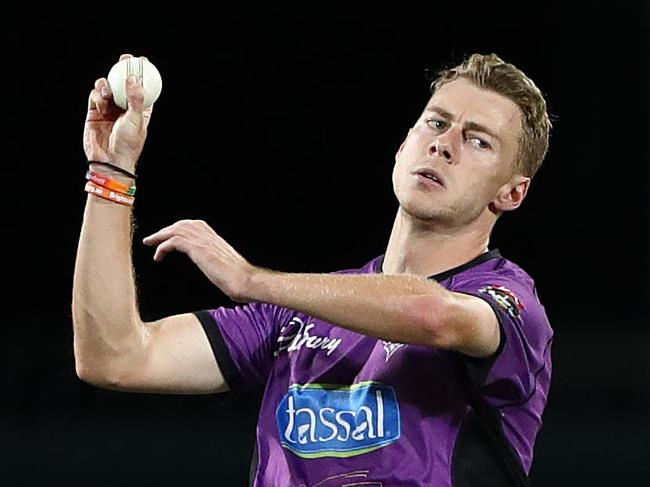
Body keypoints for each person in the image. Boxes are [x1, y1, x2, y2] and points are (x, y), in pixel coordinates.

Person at [73, 52, 553, 487]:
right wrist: (111, 173)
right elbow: (113, 356)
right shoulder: (295, 317)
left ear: (512, 193)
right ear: (402, 146)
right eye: (436, 123)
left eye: (478, 141)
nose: (444, 145)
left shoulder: (509, 303)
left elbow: (436, 315)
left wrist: (251, 280)